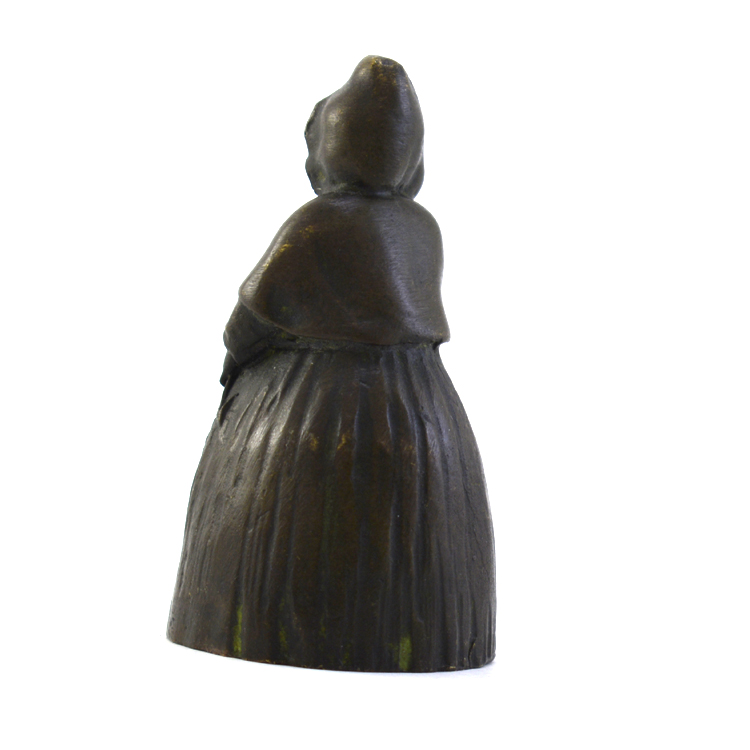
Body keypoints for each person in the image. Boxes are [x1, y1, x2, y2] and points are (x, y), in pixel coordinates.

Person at [168, 56, 495, 671]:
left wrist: (234, 362)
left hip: (307, 409)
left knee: (284, 532)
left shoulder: (318, 223)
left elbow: (254, 311)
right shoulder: (423, 228)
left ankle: (275, 623)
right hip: (423, 413)